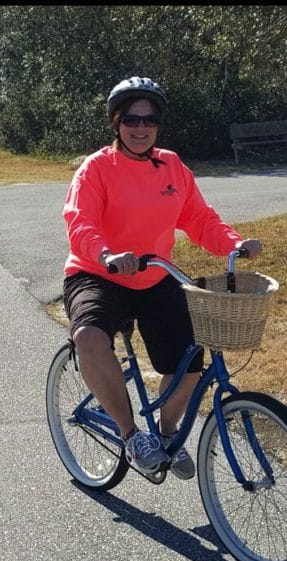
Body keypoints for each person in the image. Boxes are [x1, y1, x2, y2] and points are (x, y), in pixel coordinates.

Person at [62, 76, 262, 477]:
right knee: (89, 336)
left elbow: (199, 218)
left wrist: (233, 245)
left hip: (155, 276)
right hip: (99, 274)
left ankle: (167, 435)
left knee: (191, 359)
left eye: (149, 120)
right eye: (131, 119)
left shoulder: (171, 165)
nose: (141, 128)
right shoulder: (97, 168)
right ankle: (131, 434)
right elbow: (79, 221)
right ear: (116, 123)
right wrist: (106, 254)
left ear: (158, 124)